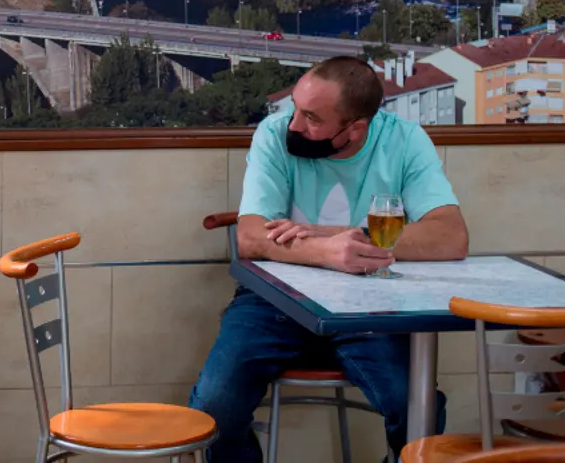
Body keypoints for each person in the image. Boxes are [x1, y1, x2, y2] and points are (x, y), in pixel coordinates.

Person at [188, 56, 468, 462]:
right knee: (215, 405)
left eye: (312, 118)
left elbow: (451, 237)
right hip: (273, 299)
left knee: (414, 405)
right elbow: (250, 238)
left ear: (355, 129)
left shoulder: (405, 140)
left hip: (372, 304)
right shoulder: (274, 133)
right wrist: (328, 252)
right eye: (295, 109)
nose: (294, 125)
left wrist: (335, 236)